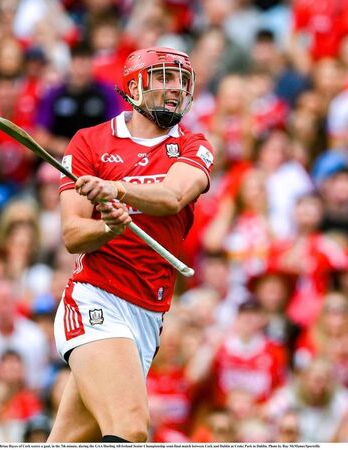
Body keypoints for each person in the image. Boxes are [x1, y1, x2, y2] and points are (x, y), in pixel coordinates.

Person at [48, 47, 214, 442]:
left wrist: (116, 189)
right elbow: (73, 235)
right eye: (163, 78)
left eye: (181, 81)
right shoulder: (89, 142)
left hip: (149, 312)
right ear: (134, 88)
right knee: (130, 427)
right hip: (97, 300)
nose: (175, 89)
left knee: (68, 442)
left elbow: (173, 196)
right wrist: (108, 228)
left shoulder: (194, 145)